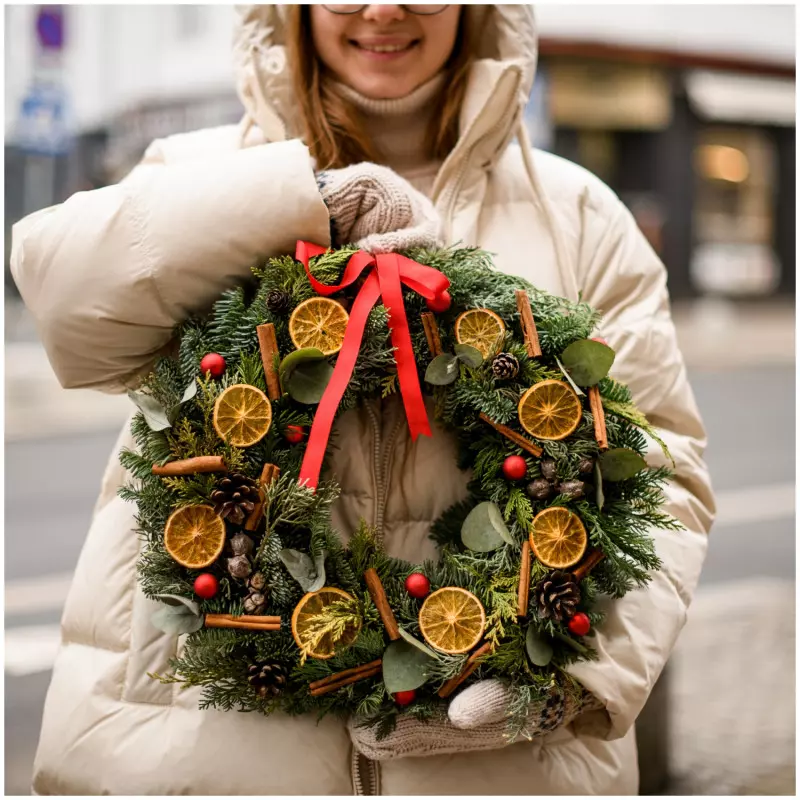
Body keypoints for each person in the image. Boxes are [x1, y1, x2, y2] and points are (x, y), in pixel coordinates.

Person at [11, 4, 715, 796]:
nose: (383, 10)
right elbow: (61, 293)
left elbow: (663, 471)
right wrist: (298, 202)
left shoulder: (578, 215)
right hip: (195, 748)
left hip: (499, 771)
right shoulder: (195, 170)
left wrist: (573, 681)